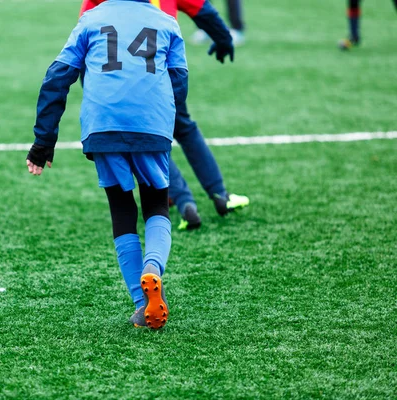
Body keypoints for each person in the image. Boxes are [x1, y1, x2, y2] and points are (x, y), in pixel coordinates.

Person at [27, 0, 190, 329]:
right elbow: (179, 83)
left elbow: (57, 77)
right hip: (152, 125)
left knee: (121, 208)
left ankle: (141, 302)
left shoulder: (90, 19)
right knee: (157, 204)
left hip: (103, 125)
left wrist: (44, 142)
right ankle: (153, 268)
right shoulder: (166, 22)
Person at [80, 0, 249, 231]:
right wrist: (223, 38)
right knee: (184, 128)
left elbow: (84, 34)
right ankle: (220, 195)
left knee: (149, 138)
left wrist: (90, 86)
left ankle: (185, 203)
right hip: (162, 74)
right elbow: (204, 11)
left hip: (120, 82)